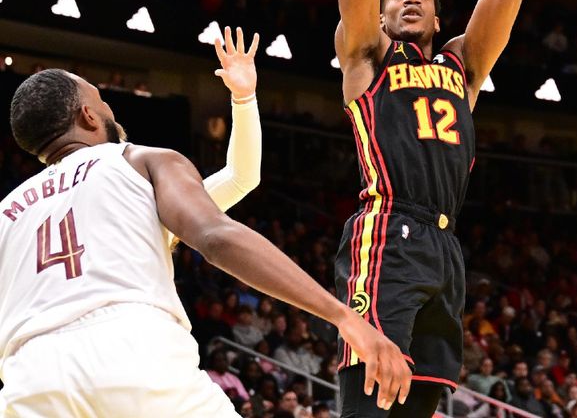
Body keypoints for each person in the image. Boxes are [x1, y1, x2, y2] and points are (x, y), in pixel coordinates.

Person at [0, 48, 411, 416]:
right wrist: (343, 316)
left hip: (29, 379)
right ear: (88, 116)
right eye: (102, 101)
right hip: (131, 354)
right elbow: (215, 233)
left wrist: (243, 96)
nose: (109, 110)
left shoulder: (7, 212)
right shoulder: (137, 161)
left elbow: (238, 178)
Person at [333, 0, 527, 415]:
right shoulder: (366, 56)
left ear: (440, 19)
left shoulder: (462, 69)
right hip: (388, 232)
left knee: (421, 409)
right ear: (381, 14)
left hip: (445, 247)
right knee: (371, 402)